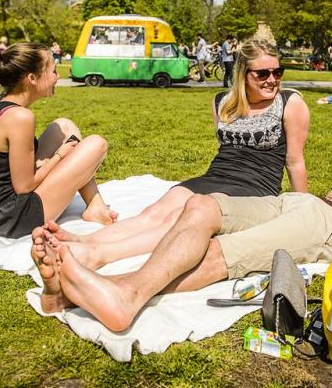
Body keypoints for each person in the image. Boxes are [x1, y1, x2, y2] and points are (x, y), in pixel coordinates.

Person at [33, 73, 332, 331]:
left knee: (218, 254)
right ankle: (84, 291)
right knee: (201, 206)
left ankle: (121, 295)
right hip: (302, 205)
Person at [34, 40, 311, 284]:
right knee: (153, 213)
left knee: (175, 222)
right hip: (215, 176)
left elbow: (295, 161)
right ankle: (83, 241)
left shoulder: (290, 102)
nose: (271, 79)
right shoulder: (222, 102)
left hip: (254, 188)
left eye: (277, 72)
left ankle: (97, 254)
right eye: (262, 73)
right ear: (243, 74)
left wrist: (302, 210)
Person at [0, 42, 116, 239]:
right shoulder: (20, 117)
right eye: (53, 70)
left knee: (64, 126)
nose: (57, 77)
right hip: (9, 219)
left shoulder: (4, 105)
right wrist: (60, 156)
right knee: (96, 144)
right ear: (32, 78)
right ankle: (94, 207)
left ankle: (95, 206)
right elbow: (24, 187)